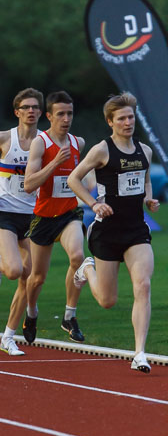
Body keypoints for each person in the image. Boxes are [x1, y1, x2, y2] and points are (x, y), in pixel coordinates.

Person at [68, 92, 159, 373]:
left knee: (143, 285)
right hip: (105, 232)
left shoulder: (145, 151)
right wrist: (94, 202)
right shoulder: (101, 150)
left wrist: (148, 199)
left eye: (131, 117)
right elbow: (74, 178)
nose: (128, 122)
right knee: (107, 301)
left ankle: (139, 353)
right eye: (122, 118)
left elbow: (143, 180)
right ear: (111, 121)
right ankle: (87, 269)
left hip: (136, 232)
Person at [0, 88, 43, 356]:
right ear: (17, 112)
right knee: (14, 271)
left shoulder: (46, 141)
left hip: (35, 216)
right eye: (26, 107)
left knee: (28, 279)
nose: (31, 111)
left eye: (35, 107)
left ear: (40, 112)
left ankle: (8, 337)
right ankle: (0, 259)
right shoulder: (4, 137)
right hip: (6, 212)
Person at [23, 91, 86, 345]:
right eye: (60, 114)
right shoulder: (41, 143)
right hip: (44, 217)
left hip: (70, 213)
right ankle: (31, 313)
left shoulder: (78, 142)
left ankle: (69, 316)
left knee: (78, 257)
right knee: (37, 278)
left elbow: (83, 176)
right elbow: (29, 184)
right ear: (48, 116)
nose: (66, 118)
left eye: (69, 113)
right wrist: (54, 163)